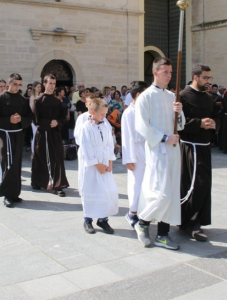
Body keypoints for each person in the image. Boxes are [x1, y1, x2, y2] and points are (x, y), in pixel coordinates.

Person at [134, 57, 184, 250]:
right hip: (158, 151)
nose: (169, 76)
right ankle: (143, 221)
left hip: (173, 151)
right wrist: (163, 138)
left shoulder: (172, 97)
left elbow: (180, 125)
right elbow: (141, 126)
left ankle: (164, 233)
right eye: (166, 72)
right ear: (155, 72)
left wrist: (180, 112)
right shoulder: (145, 97)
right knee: (160, 193)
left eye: (171, 72)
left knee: (171, 192)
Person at [178, 64, 220, 242]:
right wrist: (199, 124)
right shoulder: (182, 96)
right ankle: (190, 222)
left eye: (210, 78)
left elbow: (217, 115)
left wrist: (214, 123)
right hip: (190, 146)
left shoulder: (209, 97)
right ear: (196, 77)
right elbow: (178, 123)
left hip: (204, 145)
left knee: (204, 184)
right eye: (206, 78)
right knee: (195, 185)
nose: (209, 81)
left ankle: (197, 220)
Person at [0, 74, 34, 207]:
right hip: (5, 135)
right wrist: (9, 120)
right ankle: (7, 194)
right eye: (15, 84)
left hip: (18, 134)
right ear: (9, 83)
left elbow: (29, 117)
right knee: (7, 164)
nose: (17, 87)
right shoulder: (0, 99)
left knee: (16, 164)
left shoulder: (22, 99)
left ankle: (15, 194)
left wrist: (21, 120)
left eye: (19, 84)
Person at [78, 98, 118, 234]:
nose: (104, 117)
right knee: (91, 189)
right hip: (92, 166)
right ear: (93, 112)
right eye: (102, 114)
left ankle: (103, 219)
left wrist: (110, 161)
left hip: (105, 162)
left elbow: (109, 143)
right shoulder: (86, 127)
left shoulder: (105, 124)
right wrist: (96, 164)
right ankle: (88, 219)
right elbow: (86, 148)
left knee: (106, 190)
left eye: (105, 114)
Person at [31, 74, 69, 196]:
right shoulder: (37, 101)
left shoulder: (58, 101)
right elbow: (35, 119)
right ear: (44, 84)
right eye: (50, 83)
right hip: (43, 133)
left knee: (57, 157)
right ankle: (39, 181)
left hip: (54, 133)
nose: (52, 86)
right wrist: (48, 123)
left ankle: (58, 185)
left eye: (54, 83)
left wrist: (57, 122)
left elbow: (63, 117)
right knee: (42, 157)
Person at [121, 81, 148, 228]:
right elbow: (126, 137)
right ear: (138, 95)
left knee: (146, 183)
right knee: (136, 183)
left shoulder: (145, 109)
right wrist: (129, 159)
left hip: (146, 149)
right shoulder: (129, 113)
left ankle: (142, 211)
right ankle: (132, 212)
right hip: (136, 151)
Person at [29, 81, 42, 155]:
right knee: (35, 134)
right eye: (38, 87)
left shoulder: (40, 95)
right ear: (34, 88)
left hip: (40, 117)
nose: (39, 88)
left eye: (40, 87)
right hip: (34, 118)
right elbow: (32, 109)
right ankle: (34, 151)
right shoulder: (33, 97)